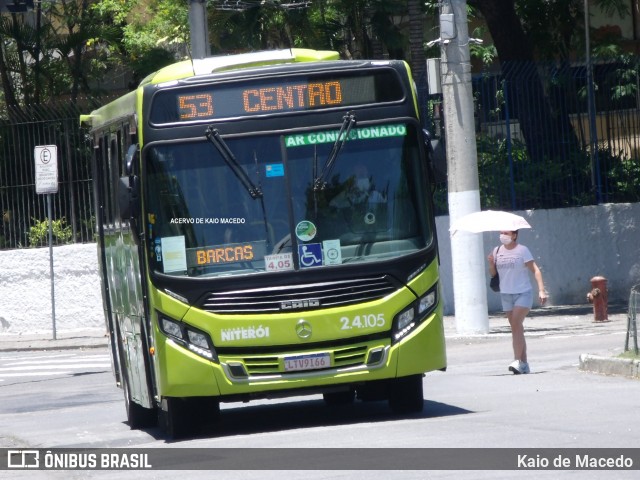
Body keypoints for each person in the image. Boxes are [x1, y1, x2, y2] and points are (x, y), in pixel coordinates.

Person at [487, 230, 548, 374]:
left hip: (523, 293)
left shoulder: (522, 250)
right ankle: (524, 363)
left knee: (515, 324)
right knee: (517, 328)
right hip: (506, 294)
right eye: (501, 232)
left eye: (506, 233)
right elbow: (493, 274)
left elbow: (535, 270)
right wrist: (491, 264)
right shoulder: (497, 251)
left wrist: (541, 290)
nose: (503, 235)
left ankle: (517, 360)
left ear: (514, 235)